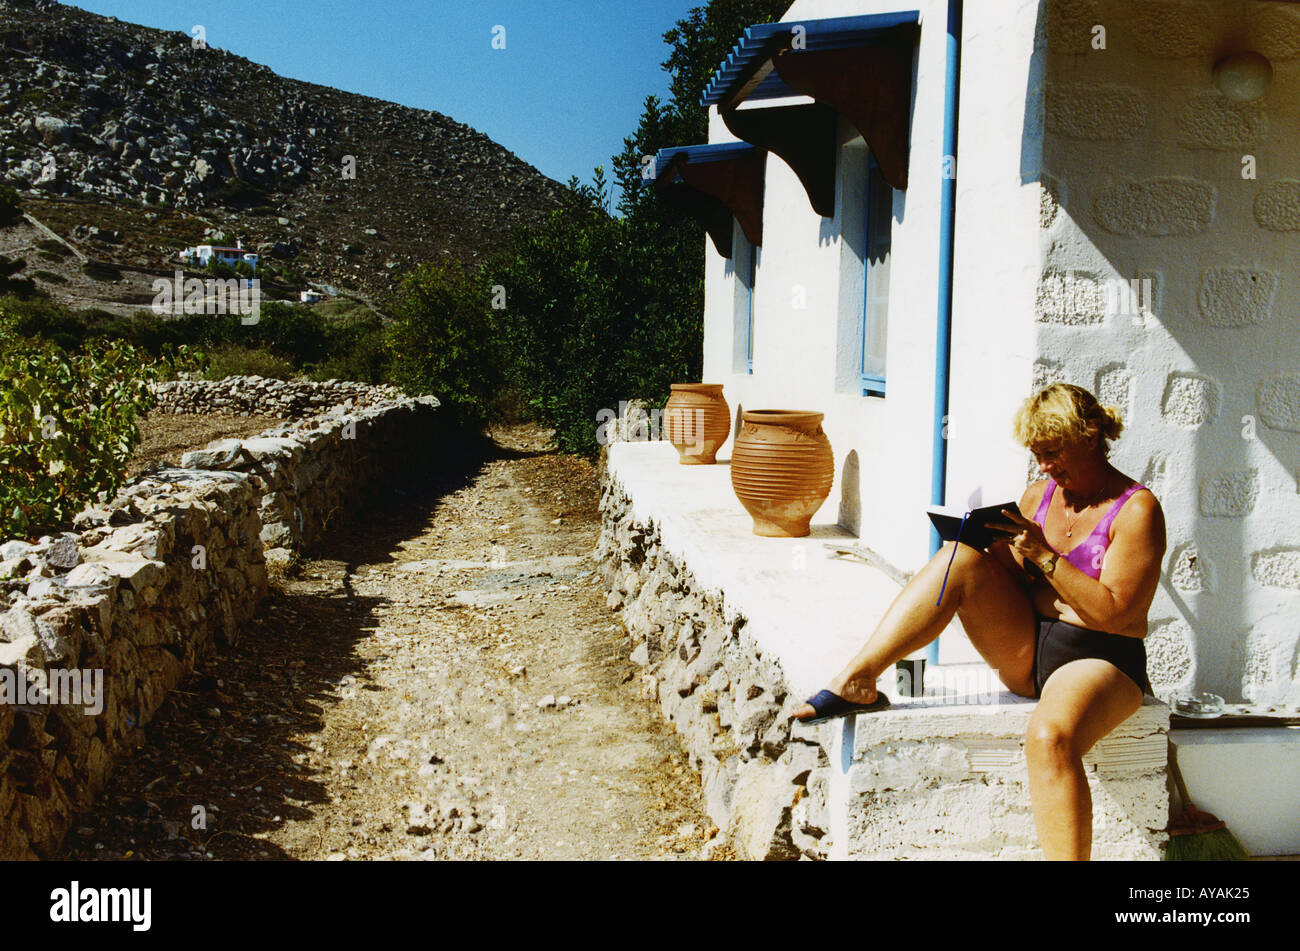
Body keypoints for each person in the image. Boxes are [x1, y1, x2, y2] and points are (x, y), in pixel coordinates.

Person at [791, 383, 1166, 860]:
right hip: (1029, 648)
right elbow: (1023, 584)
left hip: (1100, 661)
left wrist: (1046, 562)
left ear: (1090, 436)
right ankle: (857, 679)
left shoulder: (1136, 510)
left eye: (1053, 453)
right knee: (958, 558)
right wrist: (990, 550)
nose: (1046, 467)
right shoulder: (1039, 496)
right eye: (1038, 455)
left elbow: (1115, 615)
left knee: (1050, 738)